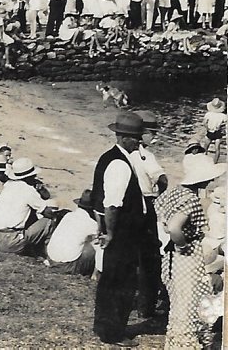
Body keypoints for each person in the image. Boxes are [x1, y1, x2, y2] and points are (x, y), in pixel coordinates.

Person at [154, 155, 227, 349]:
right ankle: (187, 343)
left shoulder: (173, 193)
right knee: (191, 303)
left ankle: (178, 342)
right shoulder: (191, 199)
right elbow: (175, 226)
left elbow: (162, 219)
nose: (211, 181)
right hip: (186, 256)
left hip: (169, 257)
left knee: (179, 303)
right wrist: (183, 244)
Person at [92, 111, 148, 347]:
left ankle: (105, 327)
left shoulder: (111, 158)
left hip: (119, 233)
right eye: (136, 138)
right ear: (125, 138)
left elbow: (99, 201)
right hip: (123, 235)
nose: (140, 142)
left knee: (111, 280)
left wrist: (103, 228)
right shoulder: (119, 164)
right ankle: (113, 332)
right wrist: (112, 233)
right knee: (121, 283)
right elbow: (112, 204)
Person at [131, 110, 169, 319]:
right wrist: (160, 199)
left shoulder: (124, 153)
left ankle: (133, 300)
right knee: (149, 258)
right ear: (141, 133)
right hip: (145, 203)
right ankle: (146, 307)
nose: (155, 136)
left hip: (127, 206)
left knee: (132, 255)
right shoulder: (147, 155)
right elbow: (162, 179)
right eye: (152, 132)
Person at [0, 157, 58, 255]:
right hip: (11, 241)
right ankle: (48, 253)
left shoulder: (8, 185)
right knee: (49, 221)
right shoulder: (28, 190)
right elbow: (47, 212)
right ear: (29, 176)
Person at [45, 189, 100, 276]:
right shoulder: (91, 224)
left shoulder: (68, 215)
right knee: (95, 245)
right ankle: (95, 274)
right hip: (67, 265)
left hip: (51, 258)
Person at [202, 98, 226, 164]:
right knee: (217, 149)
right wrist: (220, 126)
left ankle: (203, 161)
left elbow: (204, 123)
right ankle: (215, 163)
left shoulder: (208, 114)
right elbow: (226, 123)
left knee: (205, 147)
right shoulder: (223, 116)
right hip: (218, 132)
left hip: (210, 132)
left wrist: (208, 128)